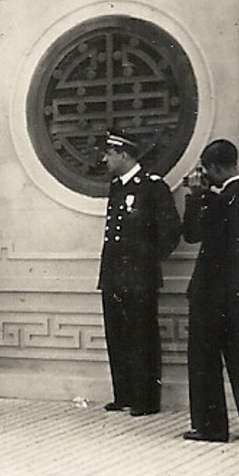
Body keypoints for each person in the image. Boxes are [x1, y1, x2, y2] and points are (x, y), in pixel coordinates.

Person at [180, 138, 239, 443]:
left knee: (204, 357)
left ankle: (211, 426)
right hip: (237, 286)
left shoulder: (222, 199)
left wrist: (196, 197)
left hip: (210, 288)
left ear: (216, 168)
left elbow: (193, 234)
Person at [96, 130, 181, 416]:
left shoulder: (152, 187)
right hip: (113, 276)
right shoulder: (117, 186)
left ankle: (146, 399)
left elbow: (170, 233)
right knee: (117, 334)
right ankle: (124, 394)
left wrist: (145, 262)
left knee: (142, 336)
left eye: (109, 153)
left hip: (139, 277)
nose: (104, 158)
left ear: (124, 154)